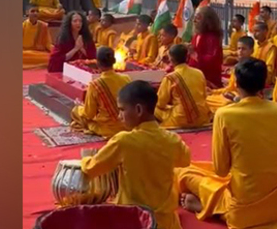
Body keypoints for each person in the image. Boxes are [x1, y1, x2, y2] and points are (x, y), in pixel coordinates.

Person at [177, 59, 277, 228]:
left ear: (236, 83)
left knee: (184, 174)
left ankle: (211, 208)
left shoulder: (224, 115)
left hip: (243, 204)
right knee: (206, 169)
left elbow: (221, 170)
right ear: (264, 83)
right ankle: (217, 207)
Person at [80, 80, 191, 229]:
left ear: (138, 110)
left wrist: (85, 159)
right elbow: (185, 160)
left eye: (122, 110)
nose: (119, 116)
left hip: (134, 220)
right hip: (166, 222)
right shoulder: (172, 140)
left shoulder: (123, 141)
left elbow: (92, 168)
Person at [70, 47, 131, 138]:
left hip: (108, 129)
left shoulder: (95, 85)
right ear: (114, 61)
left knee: (76, 111)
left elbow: (88, 114)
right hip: (128, 125)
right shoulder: (126, 79)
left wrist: (81, 107)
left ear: (97, 63)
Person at [155, 44, 211, 129]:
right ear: (187, 57)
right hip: (202, 117)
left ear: (171, 59)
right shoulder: (199, 73)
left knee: (153, 108)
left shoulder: (170, 78)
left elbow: (160, 103)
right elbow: (204, 96)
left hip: (180, 119)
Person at [206, 36, 255, 113]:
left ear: (251, 51)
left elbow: (253, 91)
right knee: (207, 98)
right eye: (239, 48)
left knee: (226, 103)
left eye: (244, 49)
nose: (240, 51)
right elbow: (230, 88)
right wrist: (213, 92)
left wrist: (236, 98)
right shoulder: (236, 67)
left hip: (246, 99)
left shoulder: (254, 67)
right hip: (233, 95)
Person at [188, 6, 223, 87]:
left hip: (207, 79)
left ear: (207, 21)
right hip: (194, 76)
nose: (194, 21)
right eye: (194, 17)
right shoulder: (196, 36)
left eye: (198, 18)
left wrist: (195, 54)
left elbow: (212, 61)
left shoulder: (212, 38)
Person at [22, 5, 53, 69]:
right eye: (33, 11)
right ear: (27, 12)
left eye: (37, 11)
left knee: (51, 58)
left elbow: (48, 43)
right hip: (25, 53)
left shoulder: (43, 26)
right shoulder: (23, 26)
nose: (35, 13)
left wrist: (55, 52)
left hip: (39, 54)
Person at [252, 22, 277, 87]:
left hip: (264, 76)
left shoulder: (271, 47)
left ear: (265, 32)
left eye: (257, 31)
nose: (254, 33)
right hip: (252, 72)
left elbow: (269, 68)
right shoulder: (253, 44)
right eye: (254, 31)